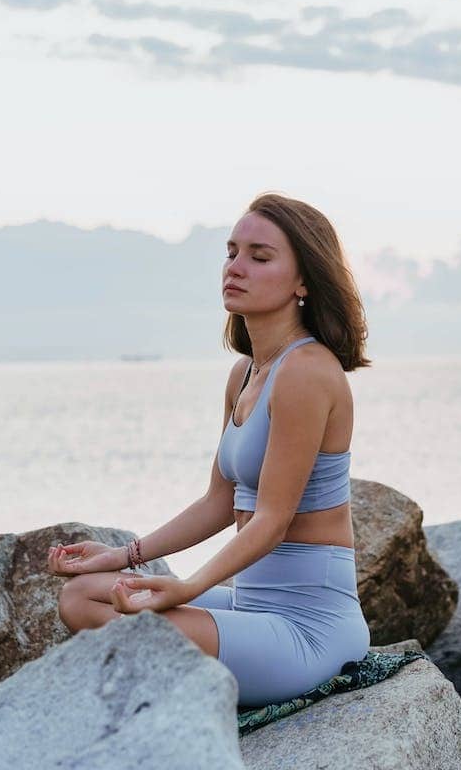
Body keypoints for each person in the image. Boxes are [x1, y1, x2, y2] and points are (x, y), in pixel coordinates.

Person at [47, 192, 373, 707]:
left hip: (309, 628)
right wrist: (122, 555)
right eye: (231, 252)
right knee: (82, 595)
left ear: (304, 280)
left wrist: (187, 588)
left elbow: (272, 520)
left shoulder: (307, 373)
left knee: (127, 618)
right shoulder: (244, 373)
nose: (235, 267)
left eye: (259, 257)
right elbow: (219, 503)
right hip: (251, 606)